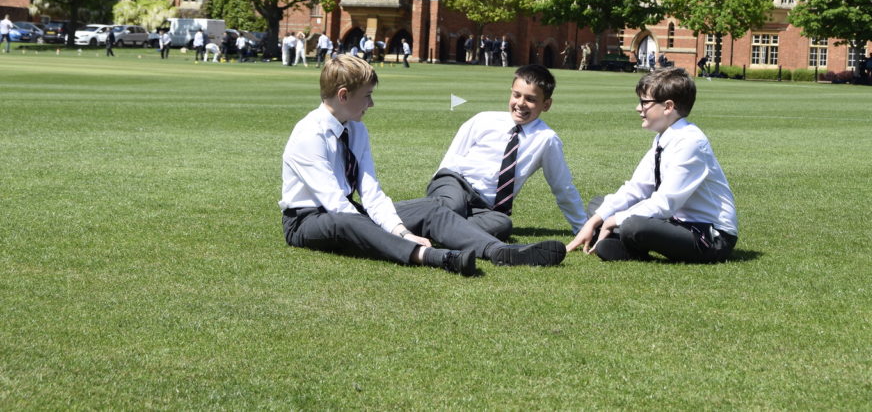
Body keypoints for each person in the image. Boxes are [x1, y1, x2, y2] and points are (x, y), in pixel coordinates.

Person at [280, 55, 567, 274]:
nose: (371, 104)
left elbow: (371, 192)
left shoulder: (356, 129)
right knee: (347, 220)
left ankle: (500, 251)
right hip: (307, 221)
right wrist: (402, 236)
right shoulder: (308, 134)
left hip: (349, 212)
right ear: (343, 95)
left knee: (431, 208)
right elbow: (334, 204)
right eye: (367, 96)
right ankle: (432, 256)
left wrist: (400, 229)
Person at [567, 67, 738, 263]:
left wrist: (613, 221)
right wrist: (595, 221)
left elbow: (665, 204)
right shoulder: (663, 138)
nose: (638, 108)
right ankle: (620, 243)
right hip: (675, 223)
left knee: (633, 225)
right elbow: (636, 188)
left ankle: (624, 243)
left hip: (710, 236)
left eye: (644, 102)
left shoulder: (690, 142)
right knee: (600, 205)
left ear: (668, 106)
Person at [426, 64, 586, 241]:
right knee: (452, 206)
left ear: (546, 104)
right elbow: (451, 159)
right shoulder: (483, 119)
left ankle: (434, 225)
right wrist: (439, 187)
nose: (520, 103)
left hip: (484, 207)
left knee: (501, 225)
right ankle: (415, 222)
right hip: (454, 183)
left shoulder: (546, 139)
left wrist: (582, 227)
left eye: (530, 99)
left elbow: (562, 186)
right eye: (516, 95)